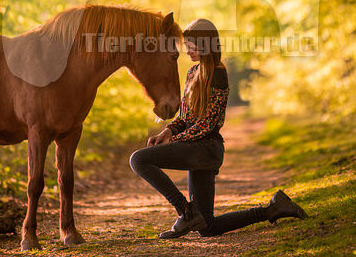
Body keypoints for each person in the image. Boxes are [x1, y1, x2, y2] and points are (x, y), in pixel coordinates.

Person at [129, 18, 307, 239]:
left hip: (206, 148)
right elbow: (185, 117)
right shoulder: (192, 72)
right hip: (194, 148)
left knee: (138, 159)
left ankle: (186, 212)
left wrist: (176, 141)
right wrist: (167, 132)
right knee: (207, 227)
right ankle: (274, 208)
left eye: (191, 46)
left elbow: (208, 124)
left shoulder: (217, 74)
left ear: (205, 45)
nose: (187, 51)